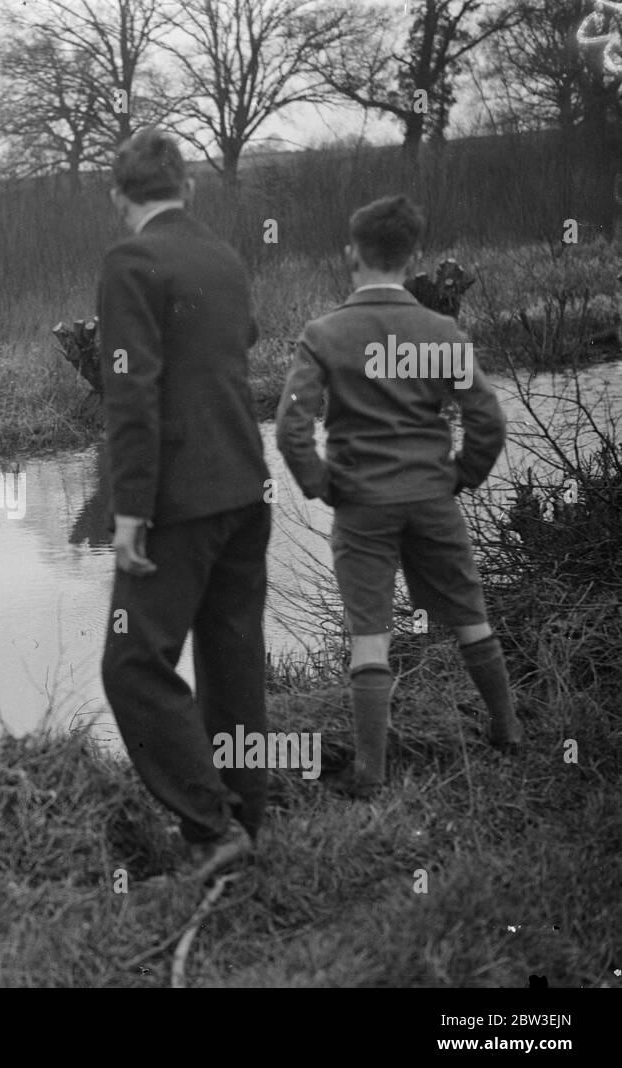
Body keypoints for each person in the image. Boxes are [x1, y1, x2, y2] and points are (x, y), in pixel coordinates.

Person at [275, 195, 520, 800]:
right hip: (432, 496)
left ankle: (370, 773)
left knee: (369, 635)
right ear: (415, 258)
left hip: (362, 505)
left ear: (351, 254)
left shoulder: (325, 334)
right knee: (469, 616)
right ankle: (508, 730)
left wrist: (322, 483)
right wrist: (460, 475)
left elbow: (290, 427)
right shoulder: (439, 331)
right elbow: (488, 420)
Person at [98, 128, 271, 884]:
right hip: (246, 486)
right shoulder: (224, 257)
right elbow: (238, 345)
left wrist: (131, 509)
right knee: (233, 659)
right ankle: (245, 814)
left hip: (180, 500)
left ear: (118, 197)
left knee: (133, 664)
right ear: (188, 189)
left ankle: (209, 827)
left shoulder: (131, 261)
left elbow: (132, 392)